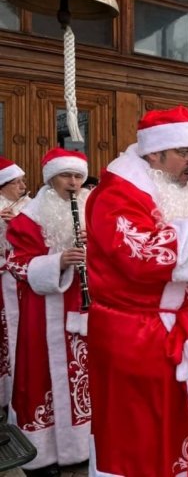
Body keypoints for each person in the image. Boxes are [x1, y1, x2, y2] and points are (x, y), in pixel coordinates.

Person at [85, 105, 188, 476]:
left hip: (184, 326)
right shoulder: (115, 194)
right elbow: (142, 255)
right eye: (185, 153)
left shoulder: (183, 188)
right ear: (154, 153)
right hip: (136, 337)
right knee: (143, 436)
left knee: (186, 425)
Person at [5, 148, 90, 476]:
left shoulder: (90, 208)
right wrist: (57, 262)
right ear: (50, 177)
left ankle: (82, 445)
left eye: (78, 176)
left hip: (85, 309)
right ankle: (43, 451)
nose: (73, 183)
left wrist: (93, 245)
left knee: (84, 378)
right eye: (66, 175)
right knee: (40, 376)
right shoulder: (30, 216)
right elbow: (16, 263)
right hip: (44, 312)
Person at [0, 157, 26, 414]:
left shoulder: (29, 207)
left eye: (22, 181)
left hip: (21, 282)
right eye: (16, 182)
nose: (22, 186)